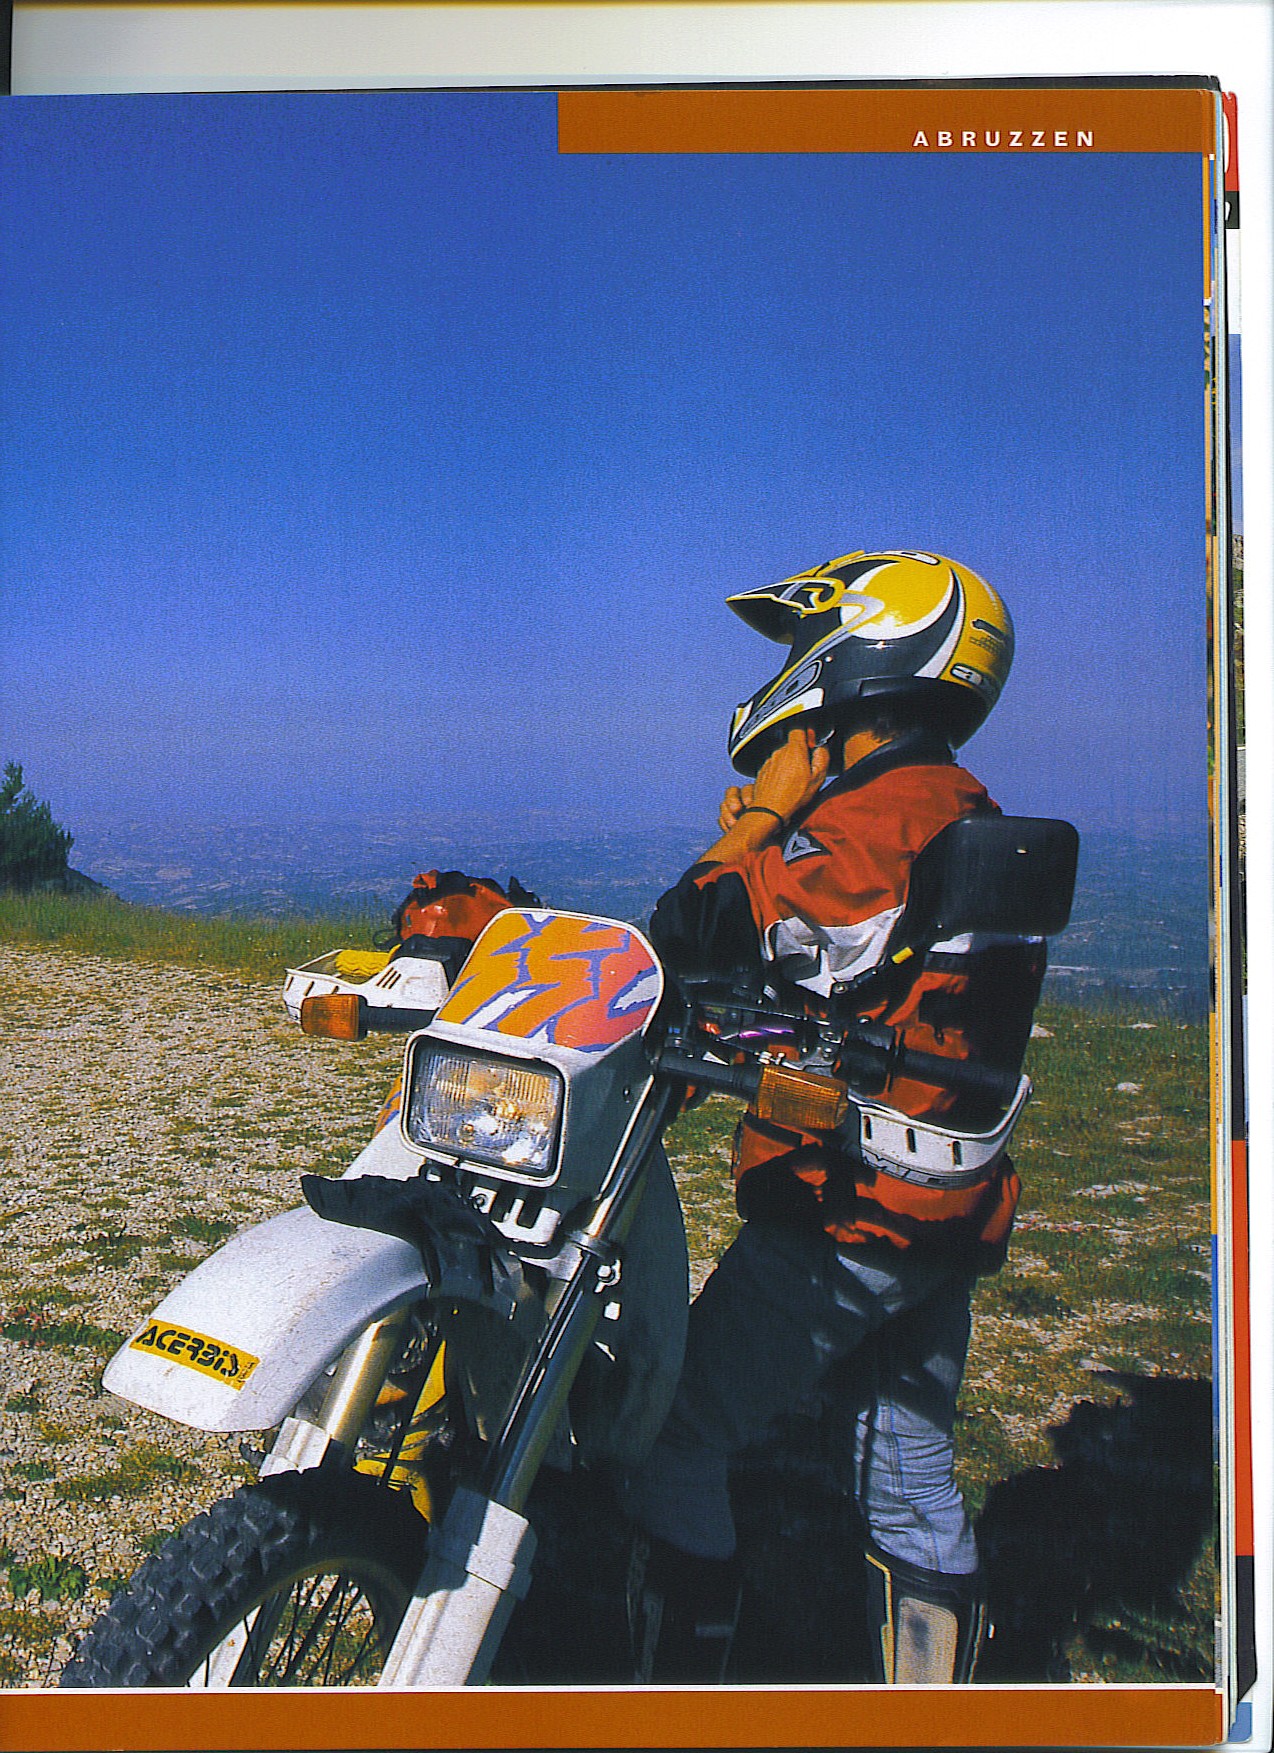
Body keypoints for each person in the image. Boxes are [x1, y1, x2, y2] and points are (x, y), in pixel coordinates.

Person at [621, 549, 1046, 1685]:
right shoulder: (963, 805)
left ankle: (676, 1701)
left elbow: (686, 931)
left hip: (847, 1207)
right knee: (907, 1475)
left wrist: (763, 818)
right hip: (940, 1206)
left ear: (858, 655)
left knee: (677, 1434)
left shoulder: (874, 819)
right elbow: (867, 982)